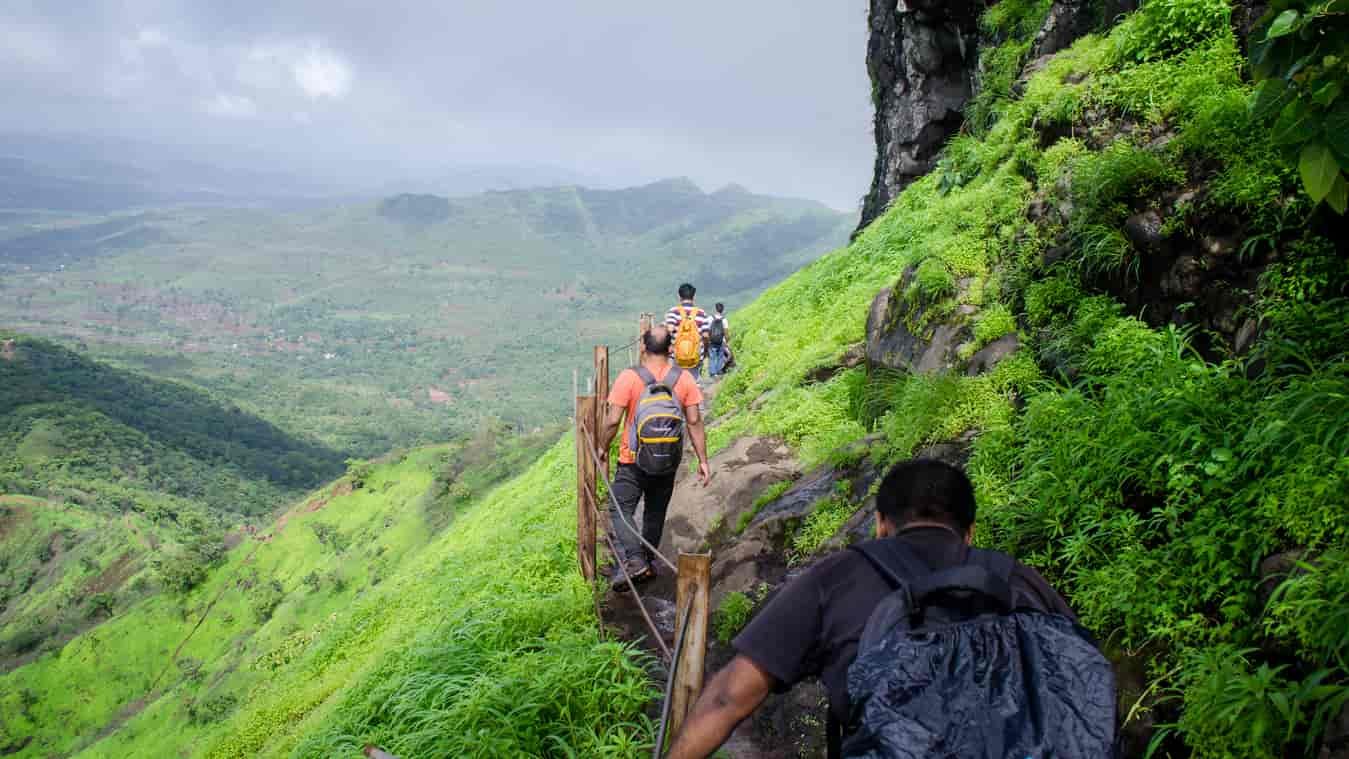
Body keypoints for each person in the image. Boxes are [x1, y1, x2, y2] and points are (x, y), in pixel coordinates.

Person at [664, 458, 1076, 759]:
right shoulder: (1020, 582)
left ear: (880, 523)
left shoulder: (839, 577)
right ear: (969, 531)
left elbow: (728, 698)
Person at [600, 326, 711, 589]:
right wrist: (703, 460)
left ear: (642, 348)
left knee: (620, 508)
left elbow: (613, 420)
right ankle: (646, 563)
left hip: (632, 459)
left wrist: (602, 446)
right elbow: (694, 421)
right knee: (654, 512)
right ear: (670, 349)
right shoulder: (683, 379)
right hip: (668, 461)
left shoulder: (629, 378)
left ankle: (636, 561)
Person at [665, 283, 712, 381]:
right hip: (696, 356)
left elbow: (669, 330)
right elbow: (706, 335)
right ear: (694, 296)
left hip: (677, 356)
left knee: (676, 383)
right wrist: (706, 351)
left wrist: (667, 348)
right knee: (694, 382)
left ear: (679, 296)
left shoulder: (673, 311)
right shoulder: (701, 313)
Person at [706, 302, 731, 378]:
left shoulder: (710, 318)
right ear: (722, 310)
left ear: (715, 309)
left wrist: (707, 341)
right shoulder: (724, 320)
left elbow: (707, 330)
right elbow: (726, 333)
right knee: (720, 356)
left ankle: (713, 373)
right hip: (720, 341)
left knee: (712, 357)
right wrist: (726, 341)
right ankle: (719, 371)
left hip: (711, 341)